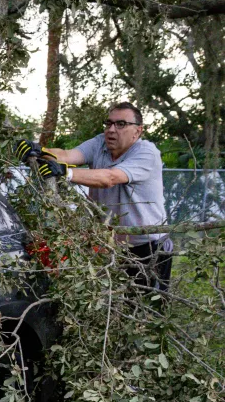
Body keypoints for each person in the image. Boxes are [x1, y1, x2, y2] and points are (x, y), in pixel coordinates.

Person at [17, 102, 172, 294]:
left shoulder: (147, 153)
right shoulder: (100, 142)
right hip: (112, 244)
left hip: (149, 245)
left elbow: (110, 177)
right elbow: (67, 155)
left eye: (121, 124)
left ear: (137, 131)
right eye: (109, 123)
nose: (112, 130)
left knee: (149, 306)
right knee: (112, 303)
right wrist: (40, 151)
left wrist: (67, 174)